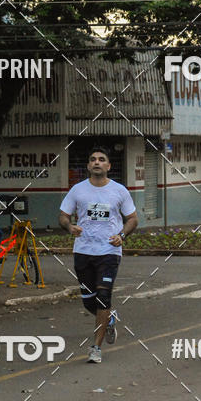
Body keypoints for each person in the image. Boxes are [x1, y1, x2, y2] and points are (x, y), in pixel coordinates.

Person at [59, 146, 138, 364]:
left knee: (103, 297)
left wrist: (122, 234)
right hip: (83, 251)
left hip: (109, 252)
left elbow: (132, 218)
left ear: (108, 166)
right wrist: (69, 227)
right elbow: (63, 216)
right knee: (88, 302)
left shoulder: (120, 191)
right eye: (93, 159)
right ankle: (109, 319)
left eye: (101, 159)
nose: (97, 162)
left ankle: (96, 347)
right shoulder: (77, 190)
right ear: (88, 165)